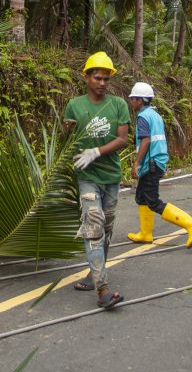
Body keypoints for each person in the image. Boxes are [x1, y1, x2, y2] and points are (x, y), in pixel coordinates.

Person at [64, 51, 129, 309]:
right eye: (97, 78)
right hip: (87, 177)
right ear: (87, 78)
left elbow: (123, 139)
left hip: (111, 177)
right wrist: (67, 134)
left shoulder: (118, 105)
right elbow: (66, 137)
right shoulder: (74, 105)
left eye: (106, 78)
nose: (102, 83)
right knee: (94, 227)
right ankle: (103, 290)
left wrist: (96, 152)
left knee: (107, 229)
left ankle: (93, 274)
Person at [125, 82, 192, 248]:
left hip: (150, 164)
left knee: (153, 202)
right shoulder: (155, 115)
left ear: (140, 100)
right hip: (156, 162)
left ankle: (191, 224)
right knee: (142, 197)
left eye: (133, 99)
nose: (131, 102)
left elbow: (146, 140)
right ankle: (145, 234)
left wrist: (136, 163)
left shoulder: (143, 117)